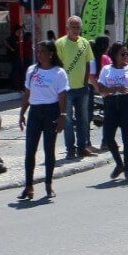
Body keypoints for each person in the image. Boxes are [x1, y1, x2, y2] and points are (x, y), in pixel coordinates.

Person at [17, 40, 69, 201]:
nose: (39, 55)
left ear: (51, 54)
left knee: (49, 149)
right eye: (38, 52)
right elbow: (27, 93)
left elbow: (62, 96)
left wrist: (62, 116)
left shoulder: (59, 72)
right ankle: (28, 185)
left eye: (43, 52)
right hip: (35, 112)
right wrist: (22, 113)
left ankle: (48, 184)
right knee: (30, 150)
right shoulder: (32, 70)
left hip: (51, 111)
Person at [96, 42, 128, 182]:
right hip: (111, 103)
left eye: (127, 53)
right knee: (108, 136)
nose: (126, 56)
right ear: (114, 55)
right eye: (122, 54)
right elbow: (101, 89)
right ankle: (119, 164)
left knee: (127, 137)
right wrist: (114, 89)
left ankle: (127, 168)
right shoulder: (106, 69)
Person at [55, 16, 96, 159]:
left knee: (83, 119)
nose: (75, 30)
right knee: (67, 120)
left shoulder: (85, 43)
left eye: (78, 27)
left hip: (82, 88)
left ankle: (82, 147)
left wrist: (85, 82)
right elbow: (58, 65)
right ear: (67, 27)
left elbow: (87, 63)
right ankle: (70, 149)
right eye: (73, 27)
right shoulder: (60, 43)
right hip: (66, 90)